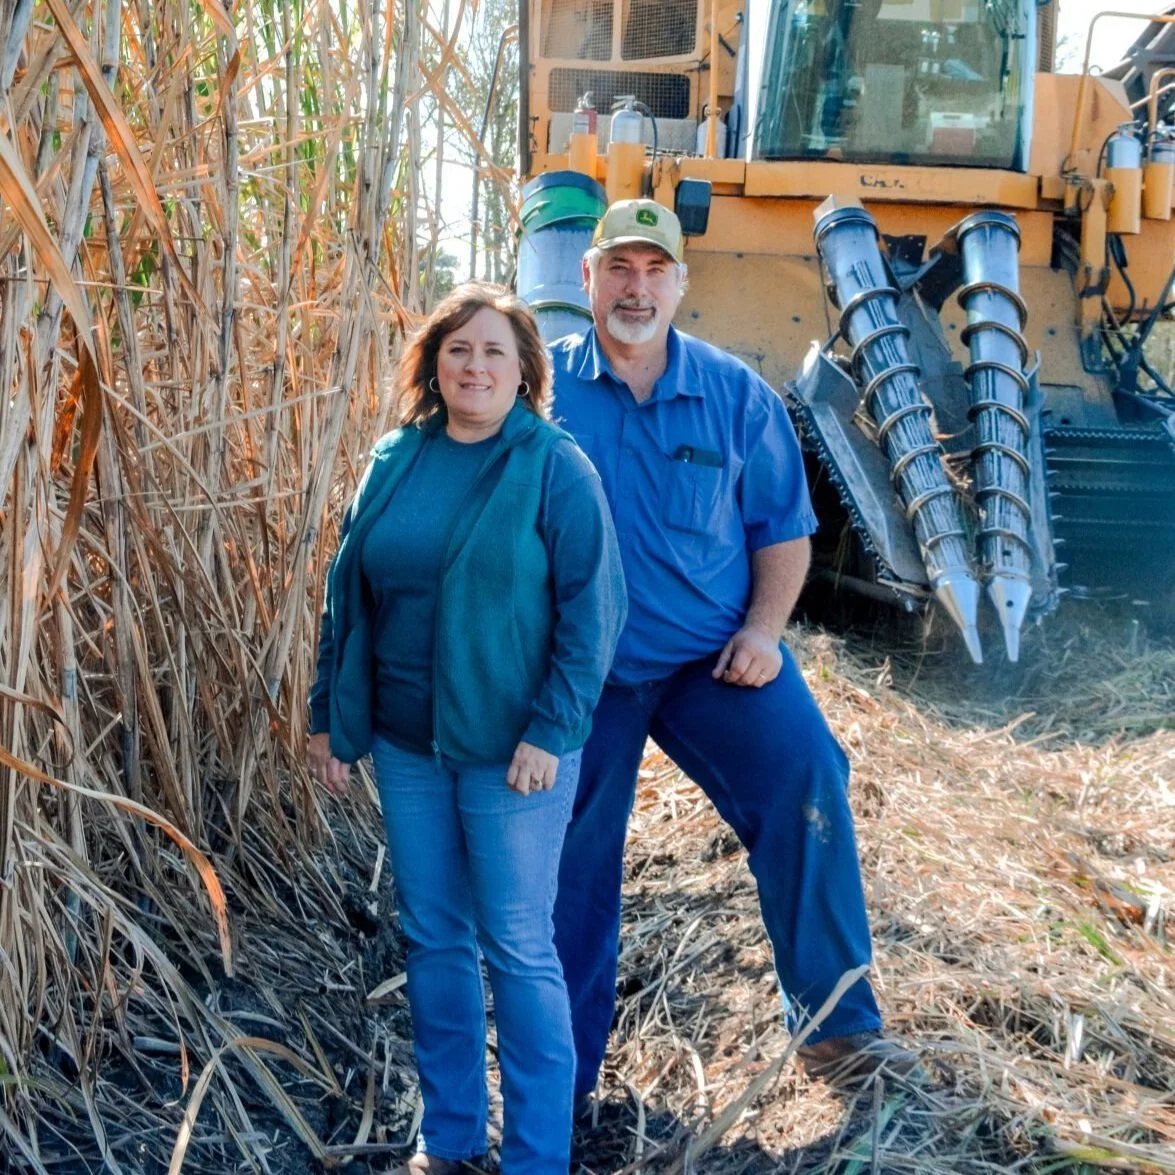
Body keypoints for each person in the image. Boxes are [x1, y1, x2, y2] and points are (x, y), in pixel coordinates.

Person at [549, 200, 919, 1104]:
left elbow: (781, 531)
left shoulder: (735, 394)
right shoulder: (538, 387)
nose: (636, 289)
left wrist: (762, 630)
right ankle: (561, 1077)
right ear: (586, 277)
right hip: (580, 673)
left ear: (681, 283)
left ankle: (838, 1028)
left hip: (708, 658)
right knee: (569, 860)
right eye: (618, 268)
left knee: (806, 775)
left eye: (654, 271)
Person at [306, 283, 627, 1175]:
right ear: (433, 364)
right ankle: (447, 1138)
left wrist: (551, 730)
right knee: (433, 936)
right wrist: (329, 714)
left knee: (518, 946)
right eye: (457, 349)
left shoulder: (554, 467)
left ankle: (535, 1156)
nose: (474, 366)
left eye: (493, 351)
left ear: (524, 370)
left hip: (511, 751)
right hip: (408, 745)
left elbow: (593, 612)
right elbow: (345, 596)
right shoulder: (396, 458)